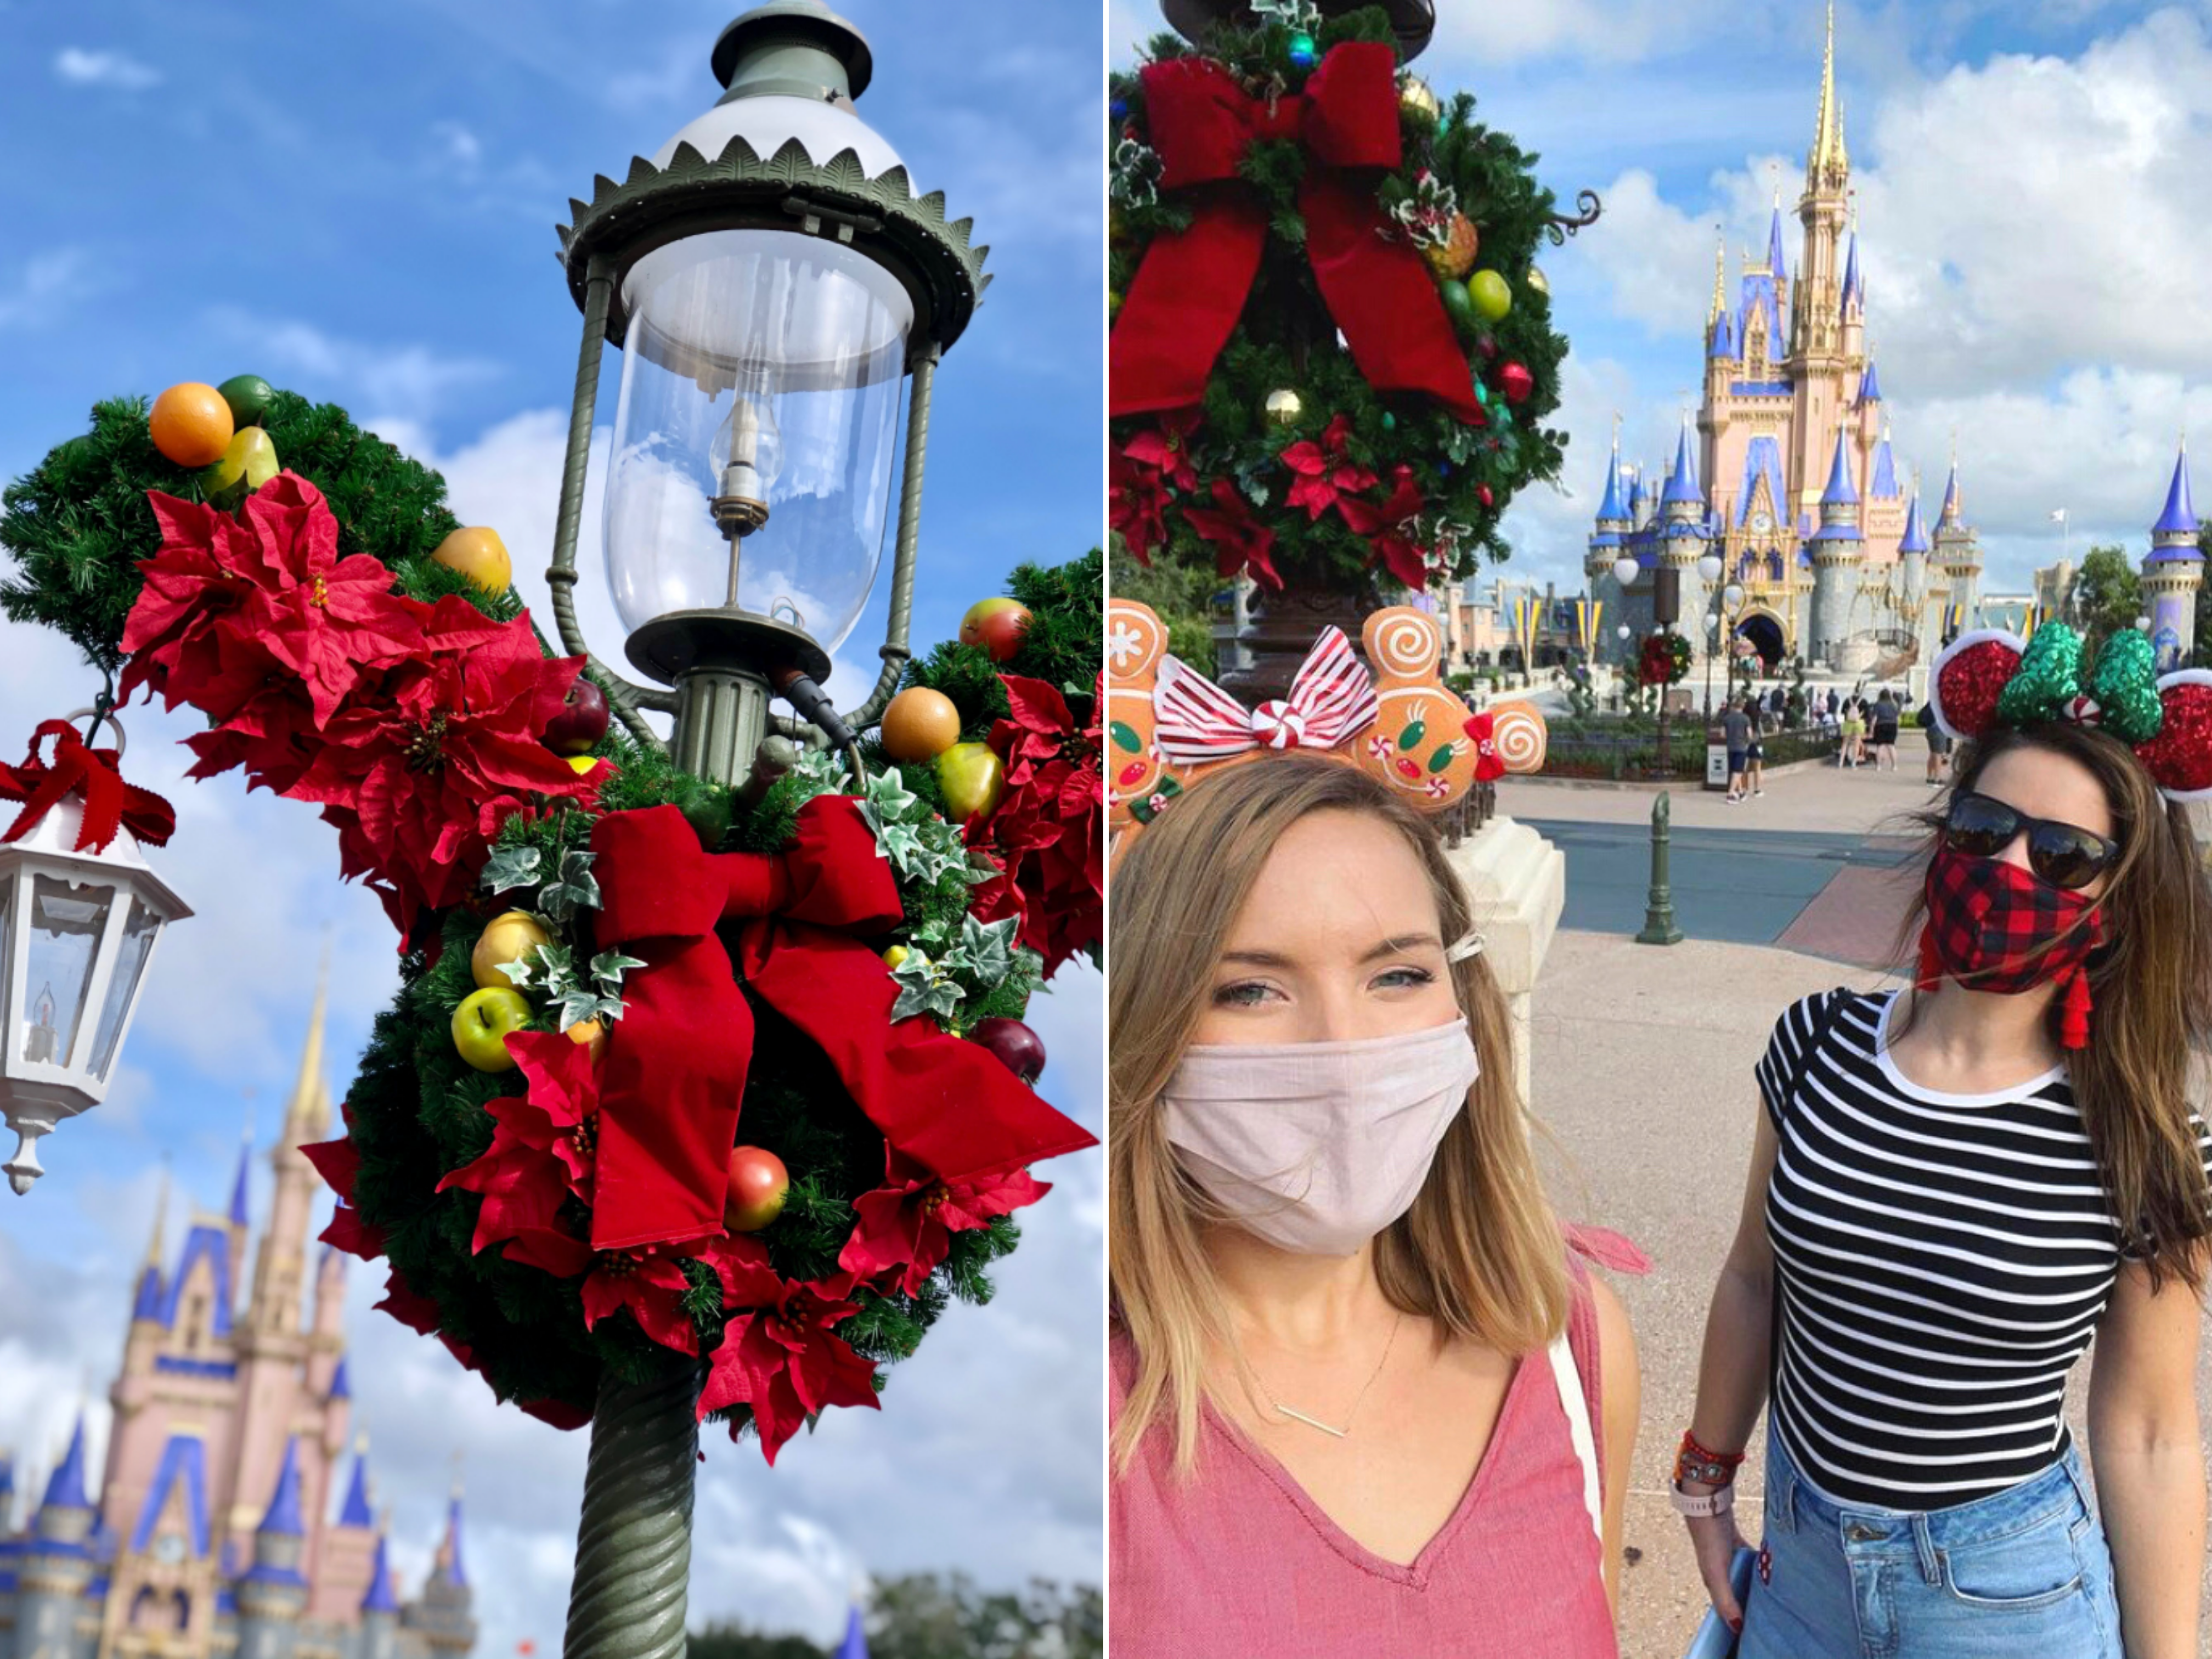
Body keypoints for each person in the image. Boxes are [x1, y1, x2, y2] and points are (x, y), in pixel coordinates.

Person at [1679, 716, 2212, 1657]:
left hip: (2005, 1595)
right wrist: (1704, 1484)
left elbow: (2153, 1428)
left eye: (2059, 853)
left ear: (2112, 905)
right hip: (1800, 1572)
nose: (2007, 863)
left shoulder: (2146, 1137)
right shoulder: (1816, 1043)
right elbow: (1753, 1278)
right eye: (1980, 826)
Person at [1109, 758, 1641, 1658]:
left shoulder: (1568, 1336)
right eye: (1247, 988)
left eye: (1395, 975)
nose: (1342, 1044)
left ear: (1461, 995)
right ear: (1146, 1024)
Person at [1722, 696, 1753, 804]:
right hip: (1741, 747)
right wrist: (1747, 742)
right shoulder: (1746, 718)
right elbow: (1750, 735)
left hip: (1730, 747)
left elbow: (1722, 734)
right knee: (1738, 771)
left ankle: (1740, 792)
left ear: (1734, 706)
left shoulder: (1727, 718)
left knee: (1735, 771)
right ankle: (1730, 794)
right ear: (1743, 706)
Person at [1920, 699, 1952, 788]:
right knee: (1938, 755)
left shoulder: (1932, 701)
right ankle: (1937, 779)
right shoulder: (1943, 701)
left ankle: (1930, 777)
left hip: (1930, 729)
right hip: (1940, 729)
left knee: (1933, 753)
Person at [1870, 687, 1900, 771]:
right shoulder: (1894, 705)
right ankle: (1894, 766)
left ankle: (1879, 766)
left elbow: (1875, 718)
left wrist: (1872, 728)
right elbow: (1897, 718)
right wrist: (1897, 727)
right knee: (1891, 746)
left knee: (1880, 746)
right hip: (1892, 725)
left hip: (1881, 725)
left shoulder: (1878, 704)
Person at [1838, 697, 1864, 768]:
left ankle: (1841, 763)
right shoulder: (1863, 701)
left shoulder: (1847, 700)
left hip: (1848, 724)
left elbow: (1842, 712)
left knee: (1845, 744)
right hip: (1858, 724)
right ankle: (1854, 763)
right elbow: (1867, 713)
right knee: (1857, 745)